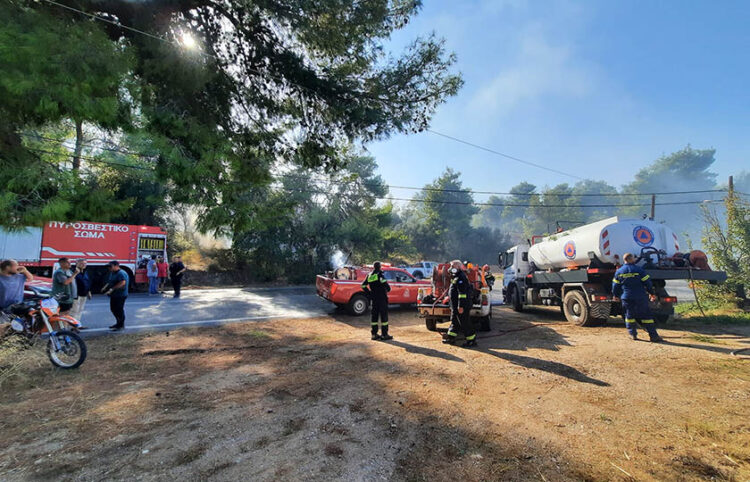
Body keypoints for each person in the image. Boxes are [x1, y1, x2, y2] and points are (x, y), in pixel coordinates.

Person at [612, 253, 664, 342]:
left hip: (627, 297)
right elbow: (647, 283)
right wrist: (652, 293)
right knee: (646, 316)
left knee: (629, 316)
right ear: (632, 259)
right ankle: (653, 336)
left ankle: (633, 334)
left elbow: (615, 285)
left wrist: (615, 295)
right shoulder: (639, 270)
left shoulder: (619, 272)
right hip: (640, 296)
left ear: (624, 260)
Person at [443, 260, 477, 347]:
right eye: (450, 266)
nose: (451, 268)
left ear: (458, 267)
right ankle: (451, 338)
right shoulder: (456, 276)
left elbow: (462, 294)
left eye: (452, 266)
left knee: (465, 322)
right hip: (455, 305)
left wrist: (460, 306)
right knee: (455, 321)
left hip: (462, 305)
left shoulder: (461, 277)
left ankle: (471, 340)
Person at [360, 261, 392, 341]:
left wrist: (369, 293)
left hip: (374, 299)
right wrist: (386, 288)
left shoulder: (370, 275)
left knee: (374, 317)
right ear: (379, 267)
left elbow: (363, 285)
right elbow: (388, 288)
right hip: (382, 299)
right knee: (384, 317)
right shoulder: (380, 275)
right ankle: (384, 335)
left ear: (374, 267)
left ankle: (374, 334)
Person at [101, 261, 129, 331]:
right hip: (114, 295)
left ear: (116, 266)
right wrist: (105, 287)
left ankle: (121, 325)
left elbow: (122, 283)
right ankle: (118, 323)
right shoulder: (113, 273)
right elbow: (110, 281)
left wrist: (112, 289)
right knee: (113, 309)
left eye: (110, 266)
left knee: (119, 310)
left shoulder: (121, 273)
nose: (109, 268)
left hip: (120, 295)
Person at [70, 259, 92, 327]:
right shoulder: (73, 272)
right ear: (77, 263)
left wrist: (88, 291)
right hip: (76, 294)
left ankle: (78, 324)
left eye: (85, 264)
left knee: (80, 310)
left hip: (84, 294)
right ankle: (73, 326)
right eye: (82, 263)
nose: (84, 265)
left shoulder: (85, 272)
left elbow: (87, 282)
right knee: (74, 311)